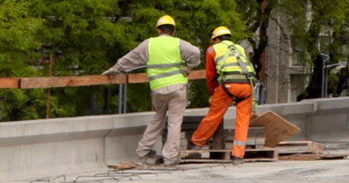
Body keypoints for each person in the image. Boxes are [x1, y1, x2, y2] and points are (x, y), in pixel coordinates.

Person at [105, 16, 200, 167]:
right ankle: (170, 158)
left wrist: (115, 68)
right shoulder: (178, 43)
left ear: (158, 30)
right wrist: (189, 67)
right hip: (177, 88)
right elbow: (195, 52)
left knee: (157, 119)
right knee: (175, 122)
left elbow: (130, 58)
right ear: (173, 31)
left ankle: (143, 151)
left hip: (158, 89)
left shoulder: (148, 44)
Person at [189, 25, 258, 160]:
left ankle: (197, 142)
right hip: (247, 85)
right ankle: (238, 155)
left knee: (214, 115)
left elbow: (211, 75)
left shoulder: (212, 49)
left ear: (217, 39)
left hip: (228, 85)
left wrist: (213, 91)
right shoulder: (241, 49)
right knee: (243, 120)